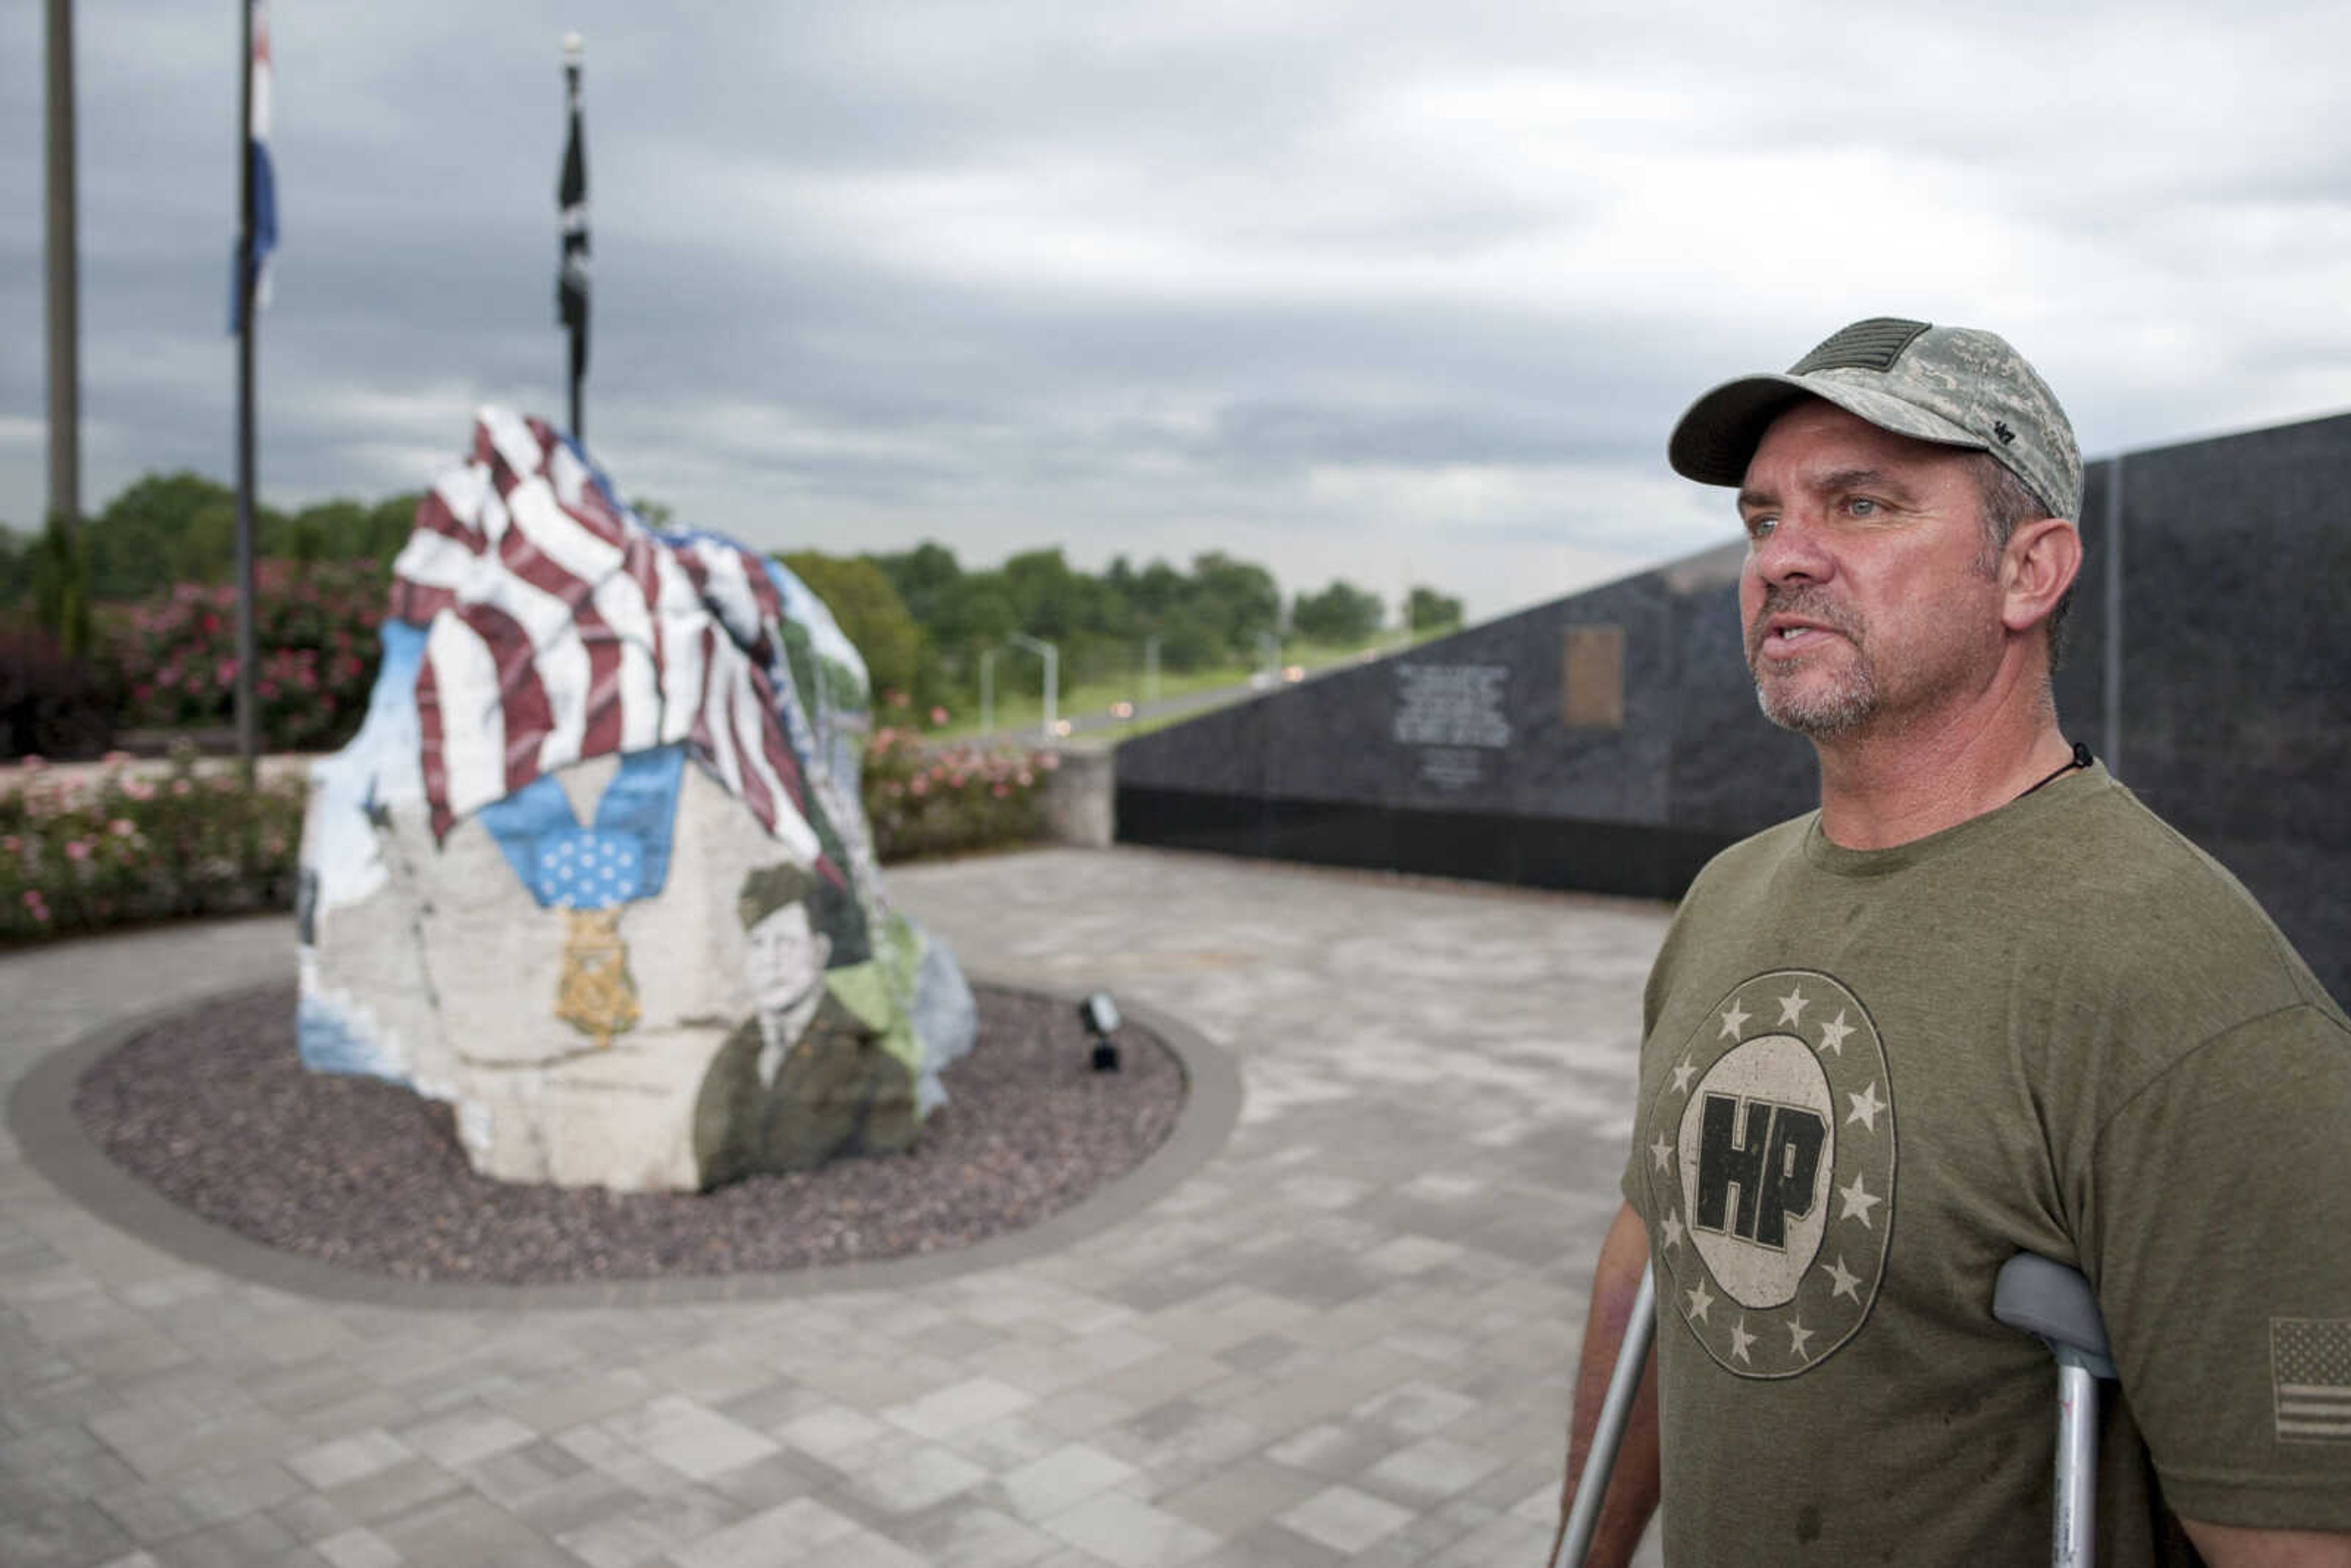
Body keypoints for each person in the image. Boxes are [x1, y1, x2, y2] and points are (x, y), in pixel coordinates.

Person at [1556, 318, 2351, 1567]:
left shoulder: (2194, 996)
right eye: (1763, 519)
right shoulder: (1725, 895)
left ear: (2030, 571)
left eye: (1861, 504)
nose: (1784, 559)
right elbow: (1644, 1263)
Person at [692, 860, 917, 1182]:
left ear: (819, 950)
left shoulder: (872, 1063)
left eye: (786, 943)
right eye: (758, 944)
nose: (771, 962)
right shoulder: (733, 1057)